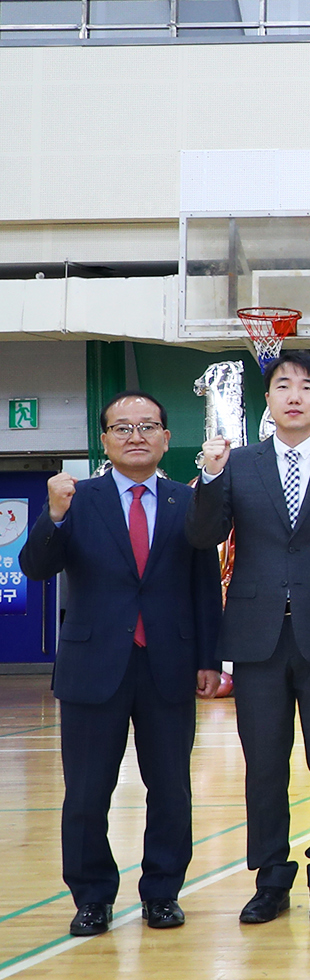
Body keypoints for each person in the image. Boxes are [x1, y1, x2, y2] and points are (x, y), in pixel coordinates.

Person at [188, 349, 310, 924]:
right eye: (282, 386)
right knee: (265, 764)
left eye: (307, 387)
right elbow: (204, 535)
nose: (294, 395)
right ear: (267, 399)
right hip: (256, 638)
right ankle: (270, 878)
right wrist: (209, 477)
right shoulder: (238, 464)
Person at [21, 394, 222, 937]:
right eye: (123, 427)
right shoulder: (75, 499)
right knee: (86, 793)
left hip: (170, 665)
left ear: (164, 437)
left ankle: (162, 893)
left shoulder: (188, 502)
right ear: (105, 439)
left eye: (148, 426)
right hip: (93, 668)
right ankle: (91, 898)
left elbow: (205, 588)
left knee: (172, 789)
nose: (136, 435)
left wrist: (209, 658)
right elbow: (36, 567)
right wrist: (54, 516)